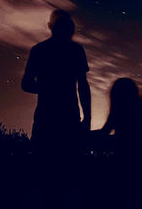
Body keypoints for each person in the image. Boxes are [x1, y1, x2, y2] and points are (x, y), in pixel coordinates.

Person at [21, 9, 91, 155]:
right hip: (65, 118)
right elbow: (83, 86)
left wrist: (45, 89)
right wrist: (87, 118)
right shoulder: (75, 50)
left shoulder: (39, 50)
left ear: (50, 25)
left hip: (48, 118)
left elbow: (26, 84)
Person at [98, 77, 142, 208]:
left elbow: (105, 132)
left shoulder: (117, 112)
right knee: (136, 195)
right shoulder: (137, 110)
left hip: (121, 157)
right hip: (138, 156)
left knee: (120, 196)